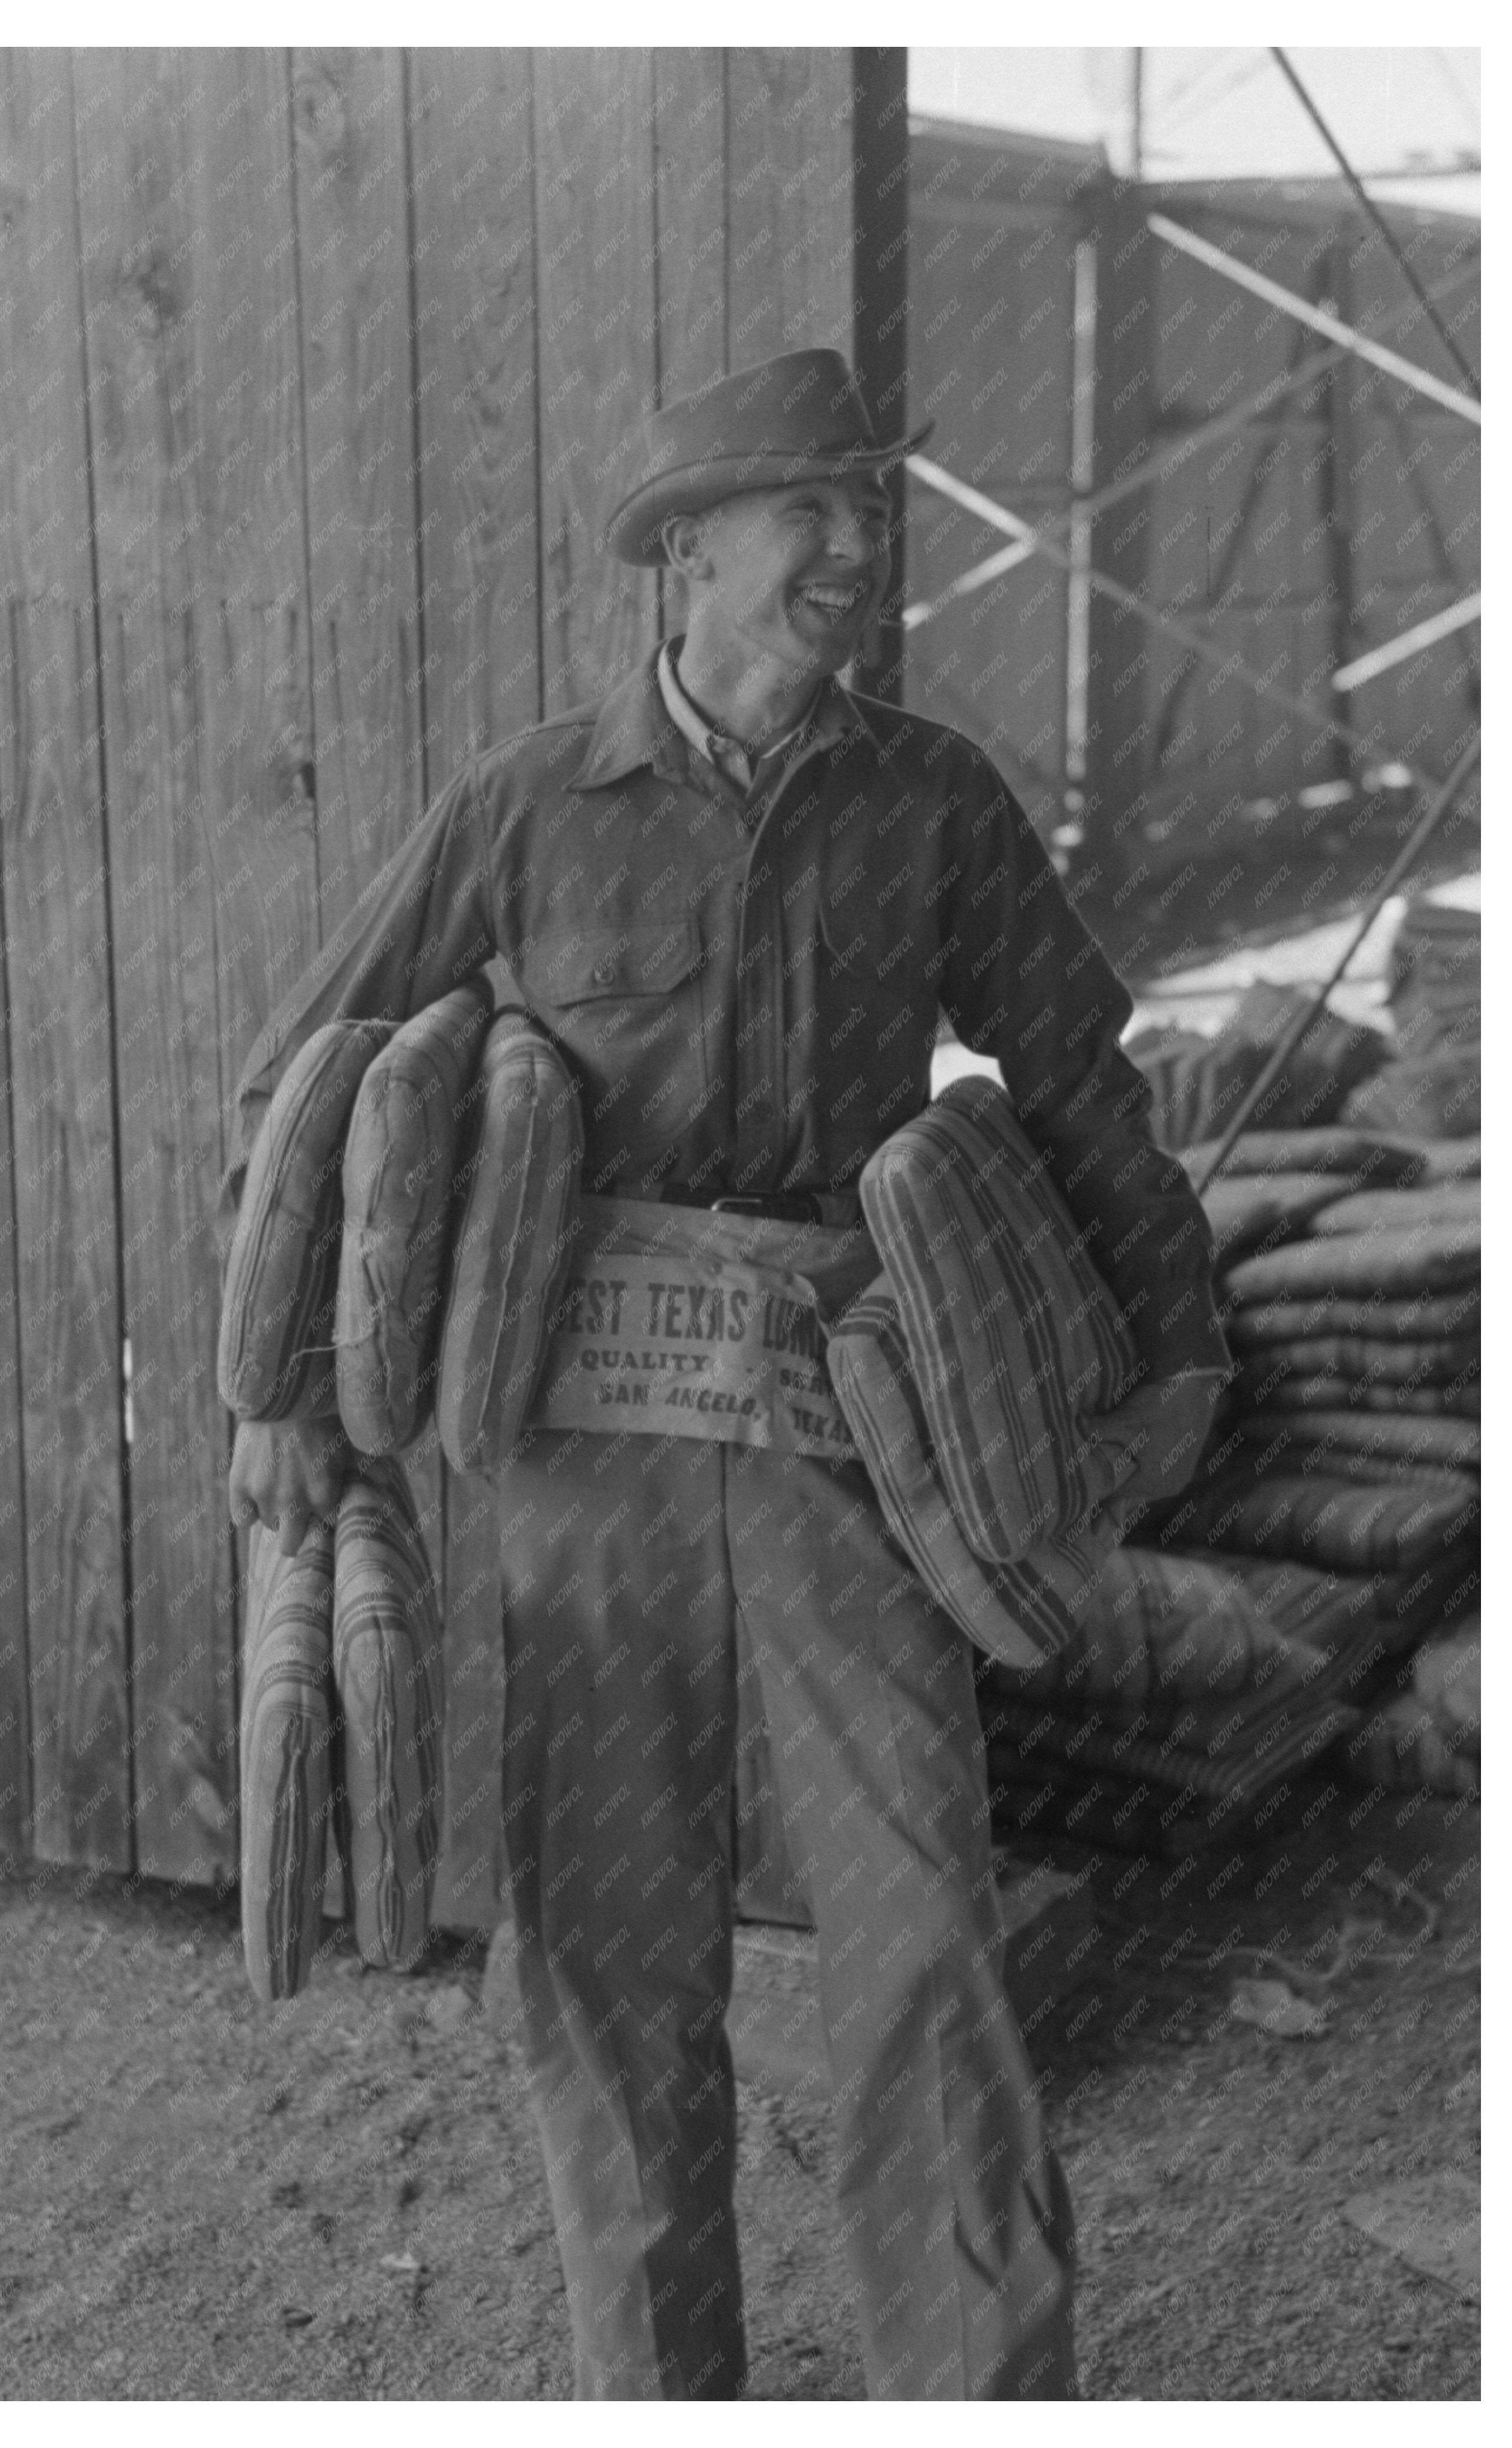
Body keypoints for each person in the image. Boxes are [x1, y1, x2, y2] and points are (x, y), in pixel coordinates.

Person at [222, 348, 1228, 2399]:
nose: (856, 546)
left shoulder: (930, 798)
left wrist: (1181, 1347)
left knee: (921, 1927)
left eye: (869, 508)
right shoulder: (527, 805)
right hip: (587, 1464)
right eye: (810, 510)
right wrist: (287, 1396)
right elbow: (303, 1091)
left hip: (850, 1436)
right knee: (608, 1961)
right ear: (683, 553)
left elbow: (1078, 1082)